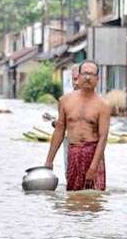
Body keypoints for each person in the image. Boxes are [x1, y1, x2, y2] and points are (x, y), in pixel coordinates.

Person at [44, 60, 110, 191]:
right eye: (84, 73)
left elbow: (103, 138)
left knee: (95, 200)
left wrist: (93, 167)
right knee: (73, 199)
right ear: (78, 77)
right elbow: (59, 131)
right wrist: (49, 161)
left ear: (97, 79)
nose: (87, 77)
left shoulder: (103, 105)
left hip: (93, 153)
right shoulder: (65, 101)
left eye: (91, 74)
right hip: (73, 151)